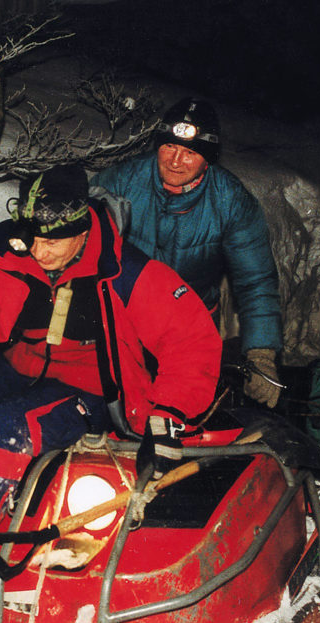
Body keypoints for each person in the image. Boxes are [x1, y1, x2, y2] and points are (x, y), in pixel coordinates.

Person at [0, 164, 223, 623]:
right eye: (33, 238)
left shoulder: (126, 271)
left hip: (86, 386)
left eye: (54, 241)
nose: (40, 251)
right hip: (17, 364)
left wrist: (169, 413)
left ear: (82, 228)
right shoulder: (0, 247)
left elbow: (191, 339)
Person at [91, 97, 284, 407]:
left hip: (190, 326)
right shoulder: (124, 181)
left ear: (207, 159)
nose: (175, 161)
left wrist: (261, 353)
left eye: (190, 152)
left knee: (179, 409)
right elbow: (83, 241)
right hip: (126, 320)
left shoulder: (231, 201)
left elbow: (256, 281)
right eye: (169, 148)